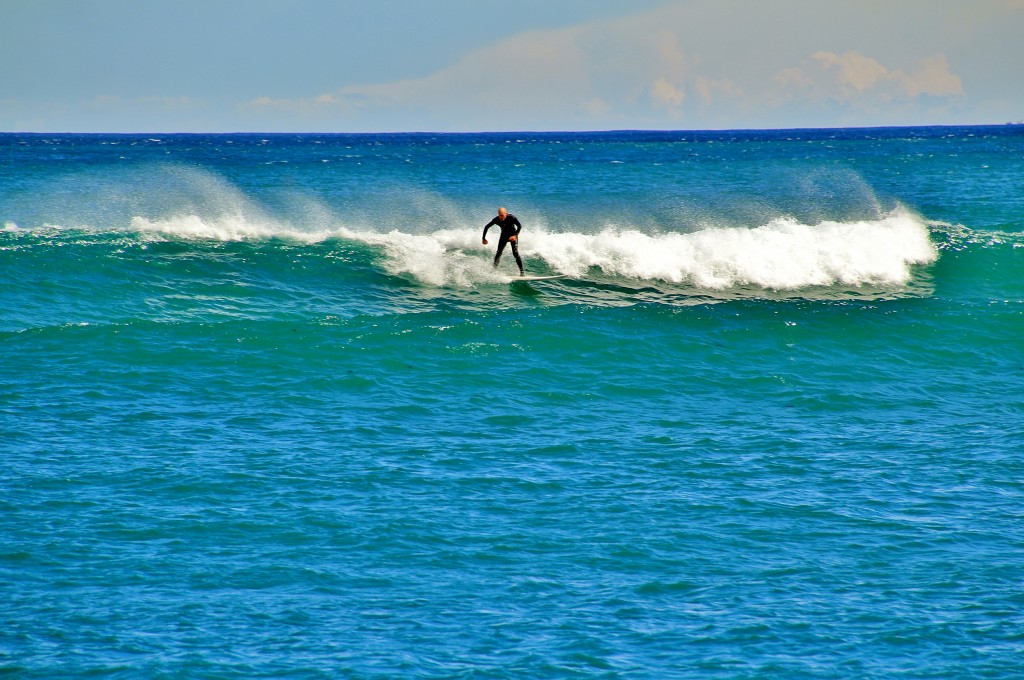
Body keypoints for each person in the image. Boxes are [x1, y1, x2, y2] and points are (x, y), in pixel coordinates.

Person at [481, 207, 525, 276]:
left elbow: (519, 226)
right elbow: (486, 226)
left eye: (502, 215)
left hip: (512, 236)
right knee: (498, 253)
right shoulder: (496, 219)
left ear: (506, 214)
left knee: (515, 253)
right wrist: (483, 238)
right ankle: (494, 271)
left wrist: (515, 235)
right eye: (499, 215)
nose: (500, 217)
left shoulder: (511, 217)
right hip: (503, 236)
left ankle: (522, 272)